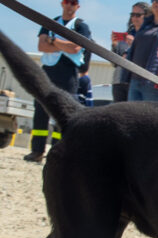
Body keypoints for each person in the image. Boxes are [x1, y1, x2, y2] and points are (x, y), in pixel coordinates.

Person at [24, 0, 92, 163]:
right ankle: (37, 150)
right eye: (67, 2)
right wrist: (64, 45)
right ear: (62, 4)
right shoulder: (51, 23)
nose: (70, 5)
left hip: (68, 72)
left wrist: (53, 41)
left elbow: (76, 48)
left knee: (64, 111)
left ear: (78, 6)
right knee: (40, 110)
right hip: (48, 71)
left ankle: (58, 151)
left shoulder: (81, 26)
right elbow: (41, 46)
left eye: (73, 3)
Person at [111, 2, 150, 102]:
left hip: (136, 82)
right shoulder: (126, 35)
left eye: (138, 15)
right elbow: (114, 63)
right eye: (132, 15)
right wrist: (115, 45)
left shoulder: (149, 36)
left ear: (146, 16)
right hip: (119, 81)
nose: (134, 18)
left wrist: (135, 44)